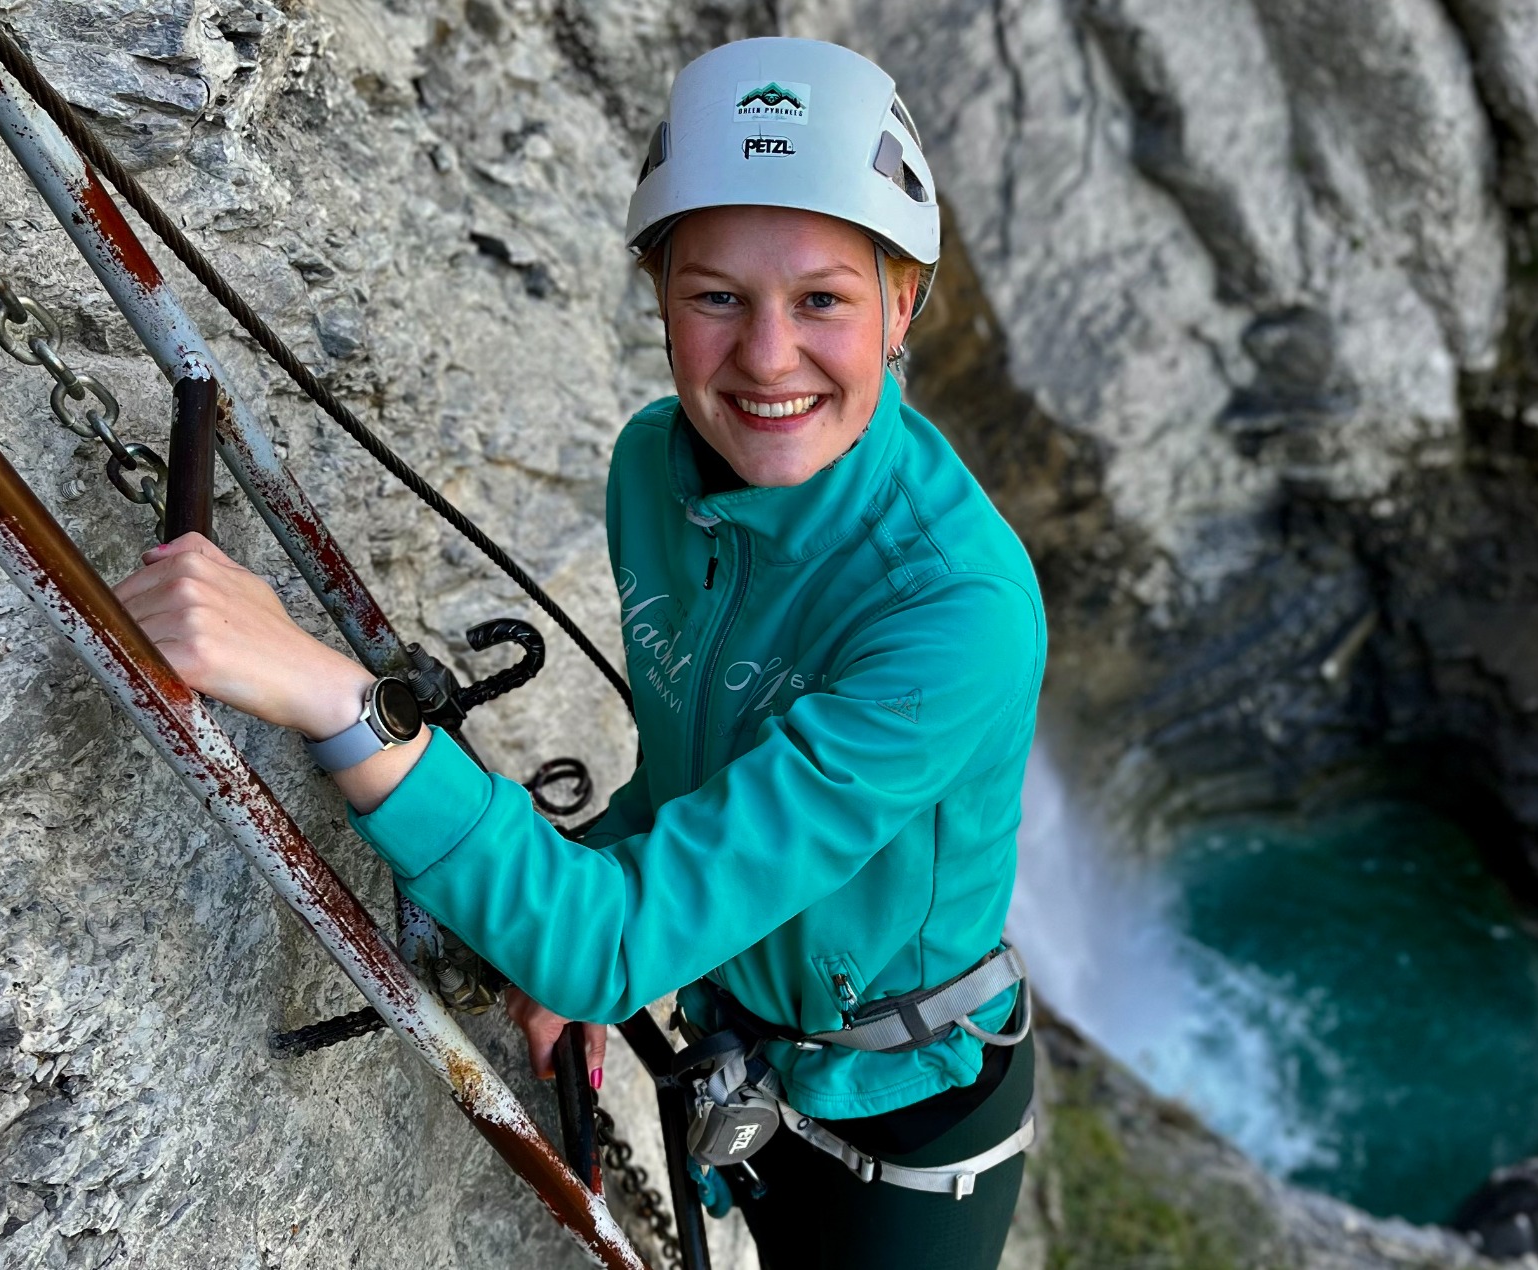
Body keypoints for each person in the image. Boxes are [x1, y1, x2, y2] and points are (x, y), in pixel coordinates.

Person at [113, 36, 1045, 1270]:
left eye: (823, 299)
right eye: (716, 297)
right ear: (658, 296)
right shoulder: (654, 472)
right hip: (742, 1038)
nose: (768, 358)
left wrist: (332, 693)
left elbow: (608, 947)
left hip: (911, 1125)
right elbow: (695, 769)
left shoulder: (957, 611)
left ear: (903, 304)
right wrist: (593, 883)